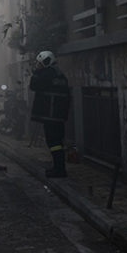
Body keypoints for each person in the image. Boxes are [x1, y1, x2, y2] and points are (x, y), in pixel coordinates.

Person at [29, 50, 71, 178]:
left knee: (53, 143)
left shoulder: (47, 74)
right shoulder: (60, 75)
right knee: (58, 142)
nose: (38, 65)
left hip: (50, 116)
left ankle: (59, 169)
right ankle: (58, 167)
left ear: (46, 62)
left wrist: (36, 72)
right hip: (59, 117)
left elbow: (34, 85)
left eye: (40, 63)